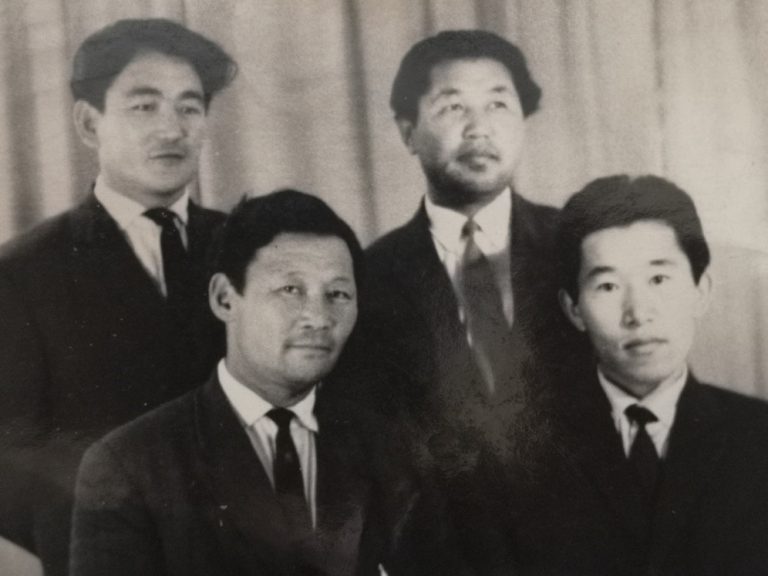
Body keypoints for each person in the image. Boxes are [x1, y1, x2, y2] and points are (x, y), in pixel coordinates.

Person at [70, 190, 424, 576]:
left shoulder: (391, 452)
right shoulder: (129, 465)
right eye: (291, 290)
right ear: (225, 298)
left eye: (337, 294)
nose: (319, 318)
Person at [0, 18, 236, 575]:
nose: (172, 128)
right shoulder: (22, 272)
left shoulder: (252, 245)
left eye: (189, 107)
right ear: (89, 123)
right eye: (144, 106)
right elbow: (8, 455)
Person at [505, 175, 768, 575]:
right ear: (573, 309)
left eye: (658, 279)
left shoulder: (759, 436)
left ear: (701, 291)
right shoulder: (520, 452)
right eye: (608, 286)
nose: (638, 313)